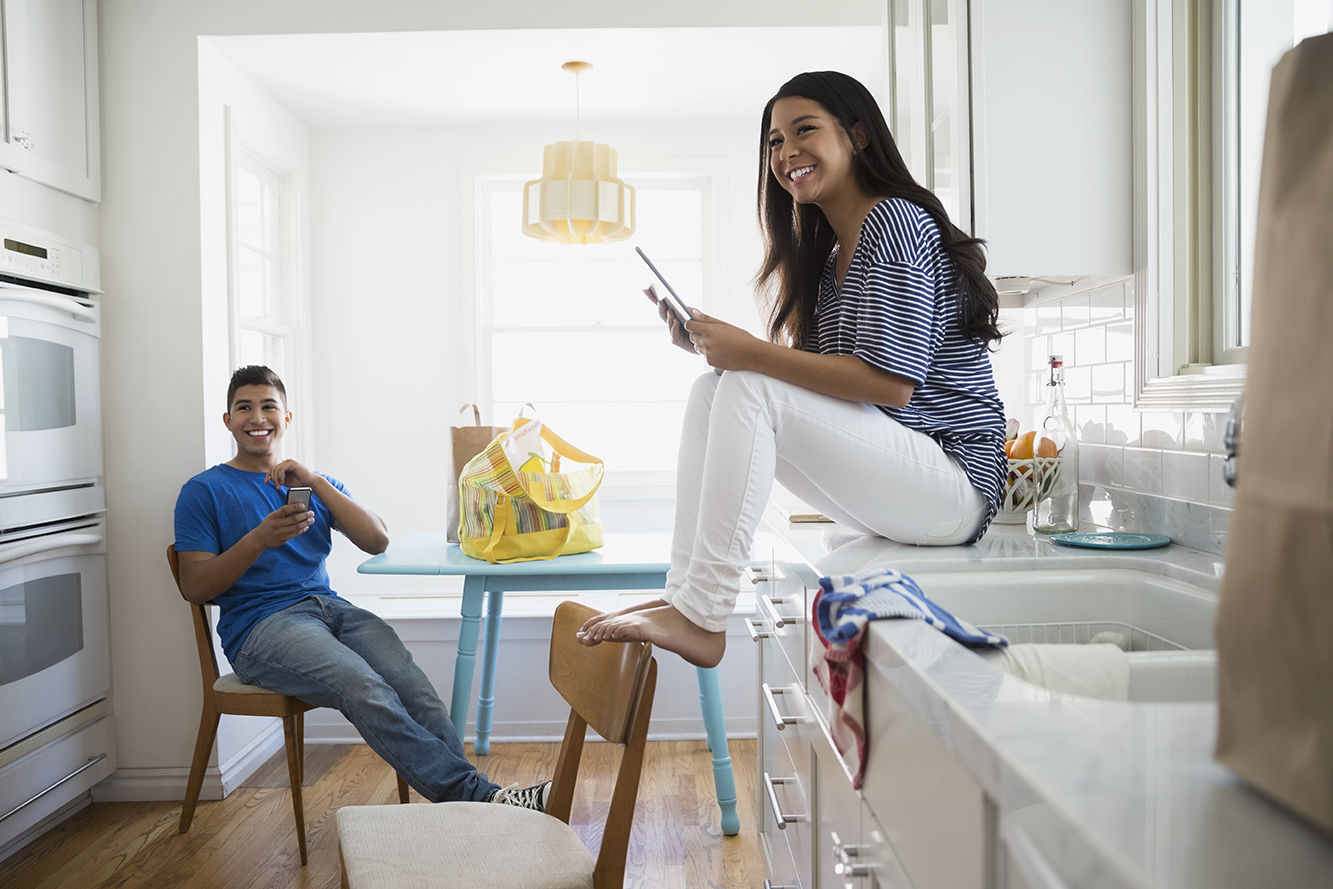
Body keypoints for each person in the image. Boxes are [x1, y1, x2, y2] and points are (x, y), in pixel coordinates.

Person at [579, 71, 1005, 668]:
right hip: (905, 479)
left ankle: (704, 614)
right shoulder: (832, 256)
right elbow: (826, 385)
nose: (785, 153)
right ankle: (686, 596)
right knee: (713, 389)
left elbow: (890, 384)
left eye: (804, 130)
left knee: (748, 384)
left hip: (955, 484)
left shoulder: (895, 221)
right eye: (774, 142)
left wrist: (749, 354)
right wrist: (716, 350)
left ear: (857, 135)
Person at [173, 365, 549, 810]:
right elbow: (194, 586)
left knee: (415, 689)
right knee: (362, 685)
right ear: (228, 420)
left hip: (331, 611)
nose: (257, 417)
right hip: (260, 628)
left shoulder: (313, 482)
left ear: (287, 418)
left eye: (268, 406)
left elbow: (377, 540)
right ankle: (480, 800)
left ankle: (469, 810)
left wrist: (314, 482)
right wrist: (259, 538)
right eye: (244, 408)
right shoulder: (203, 491)